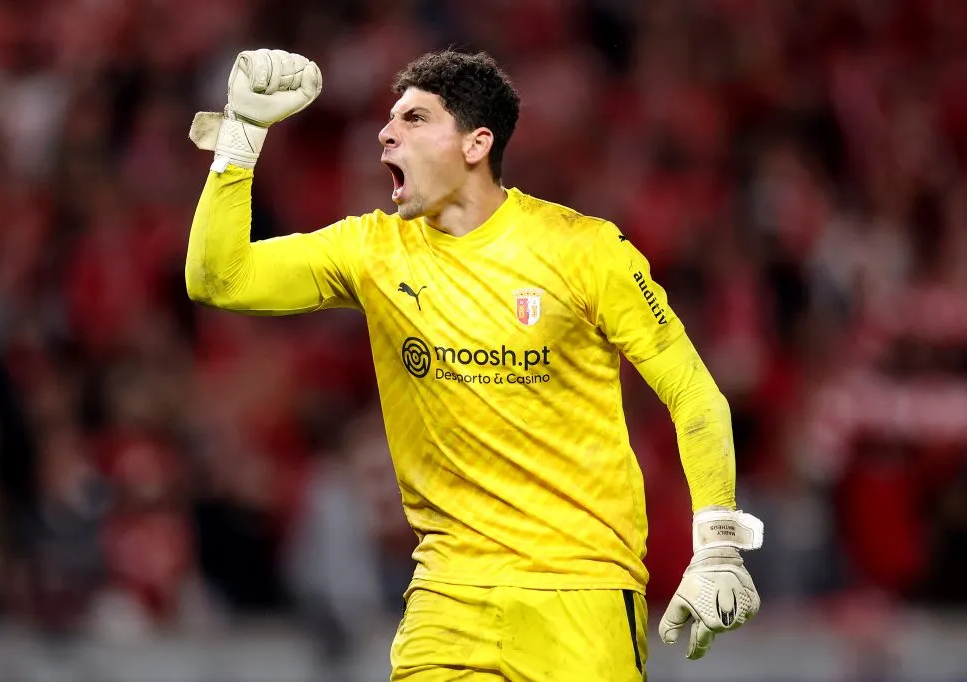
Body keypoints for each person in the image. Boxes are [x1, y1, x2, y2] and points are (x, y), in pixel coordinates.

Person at [185, 48, 763, 682]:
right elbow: (220, 278)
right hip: (448, 598)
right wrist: (240, 138)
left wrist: (717, 548)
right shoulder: (373, 250)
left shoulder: (584, 250)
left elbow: (694, 395)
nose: (386, 133)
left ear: (474, 144)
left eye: (414, 119)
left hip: (580, 593)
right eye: (389, 119)